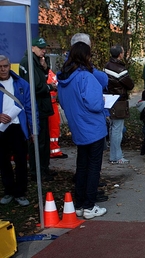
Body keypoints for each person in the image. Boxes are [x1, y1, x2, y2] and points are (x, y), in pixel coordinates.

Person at [57, 41, 107, 219]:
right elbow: (95, 103)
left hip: (77, 127)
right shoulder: (86, 77)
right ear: (87, 56)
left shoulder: (63, 79)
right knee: (93, 168)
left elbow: (62, 102)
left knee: (82, 165)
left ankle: (79, 204)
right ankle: (89, 205)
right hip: (93, 127)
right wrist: (102, 100)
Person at [19, 37, 57, 181]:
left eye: (44, 48)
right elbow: (34, 87)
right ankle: (37, 172)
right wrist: (49, 87)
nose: (44, 51)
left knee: (44, 140)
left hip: (43, 106)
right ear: (33, 47)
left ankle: (44, 168)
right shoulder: (27, 62)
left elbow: (43, 79)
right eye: (41, 48)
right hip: (36, 107)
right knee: (38, 140)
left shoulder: (38, 61)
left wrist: (45, 69)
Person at [0, 55, 36, 206]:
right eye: (0, 67)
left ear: (9, 66)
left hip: (18, 127)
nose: (3, 69)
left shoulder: (22, 84)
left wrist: (34, 129)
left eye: (5, 66)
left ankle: (20, 192)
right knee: (3, 161)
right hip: (1, 129)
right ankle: (9, 191)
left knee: (21, 160)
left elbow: (30, 108)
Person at [104, 45, 135, 165]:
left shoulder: (106, 66)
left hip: (109, 99)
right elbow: (130, 85)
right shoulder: (120, 70)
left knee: (113, 128)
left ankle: (115, 154)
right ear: (120, 54)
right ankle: (116, 156)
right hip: (119, 101)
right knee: (117, 129)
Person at [47, 69, 68, 159]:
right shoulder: (41, 73)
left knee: (54, 128)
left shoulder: (50, 72)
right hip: (46, 104)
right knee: (50, 129)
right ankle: (52, 151)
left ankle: (54, 150)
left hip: (53, 104)